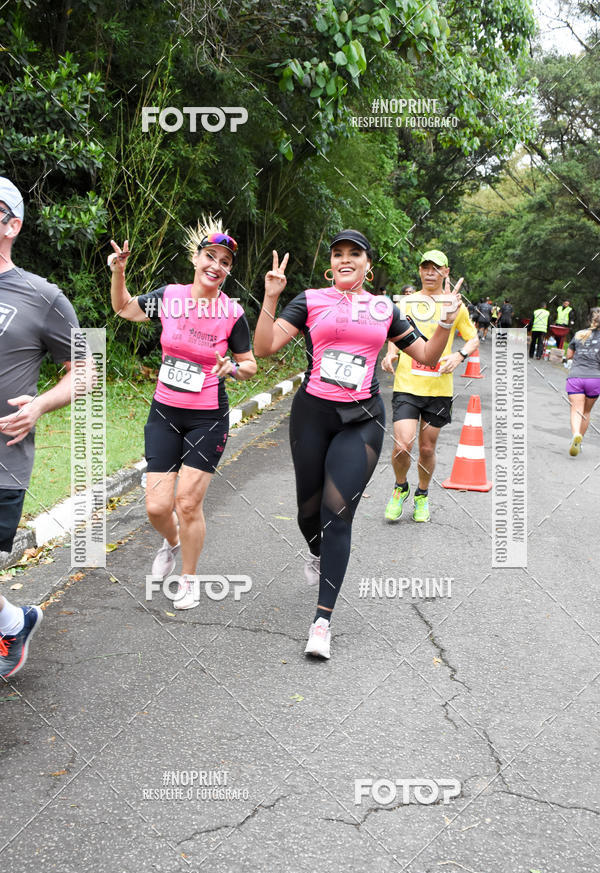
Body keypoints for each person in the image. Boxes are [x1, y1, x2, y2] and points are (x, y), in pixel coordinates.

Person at [254, 231, 463, 660]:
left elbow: (426, 356)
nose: (345, 259)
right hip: (312, 416)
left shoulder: (385, 308)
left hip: (362, 420)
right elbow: (265, 346)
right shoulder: (310, 300)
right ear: (330, 264)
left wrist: (445, 323)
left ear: (368, 265)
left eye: (355, 254)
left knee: (337, 514)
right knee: (308, 512)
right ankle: (317, 553)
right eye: (338, 254)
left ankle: (322, 622)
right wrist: (271, 296)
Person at [109, 217, 257, 610]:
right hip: (165, 413)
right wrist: (119, 271)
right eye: (211, 256)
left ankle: (188, 580)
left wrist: (233, 369)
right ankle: (173, 542)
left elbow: (250, 365)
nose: (216, 265)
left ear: (228, 271)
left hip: (207, 417)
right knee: (157, 507)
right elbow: (123, 308)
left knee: (187, 503)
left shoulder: (232, 313)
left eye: (225, 262)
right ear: (196, 258)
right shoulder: (170, 297)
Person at [0, 177, 83, 678]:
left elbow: (87, 368)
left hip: (3, 456)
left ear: (12, 225)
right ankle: (15, 620)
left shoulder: (41, 296)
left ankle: (14, 622)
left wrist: (40, 406)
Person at [381, 249, 478, 524]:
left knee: (426, 448)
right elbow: (395, 334)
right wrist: (391, 353)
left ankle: (422, 494)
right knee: (403, 445)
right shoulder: (407, 303)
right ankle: (400, 487)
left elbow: (472, 339)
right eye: (425, 267)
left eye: (436, 268)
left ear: (446, 272)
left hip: (439, 388)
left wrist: (459, 356)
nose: (430, 272)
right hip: (407, 385)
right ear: (419, 270)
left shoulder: (455, 306)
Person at [565, 308, 600, 456]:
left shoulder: (579, 334)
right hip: (595, 379)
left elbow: (569, 355)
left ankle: (575, 435)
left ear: (589, 319)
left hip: (576, 377)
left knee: (576, 410)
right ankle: (580, 442)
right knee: (586, 411)